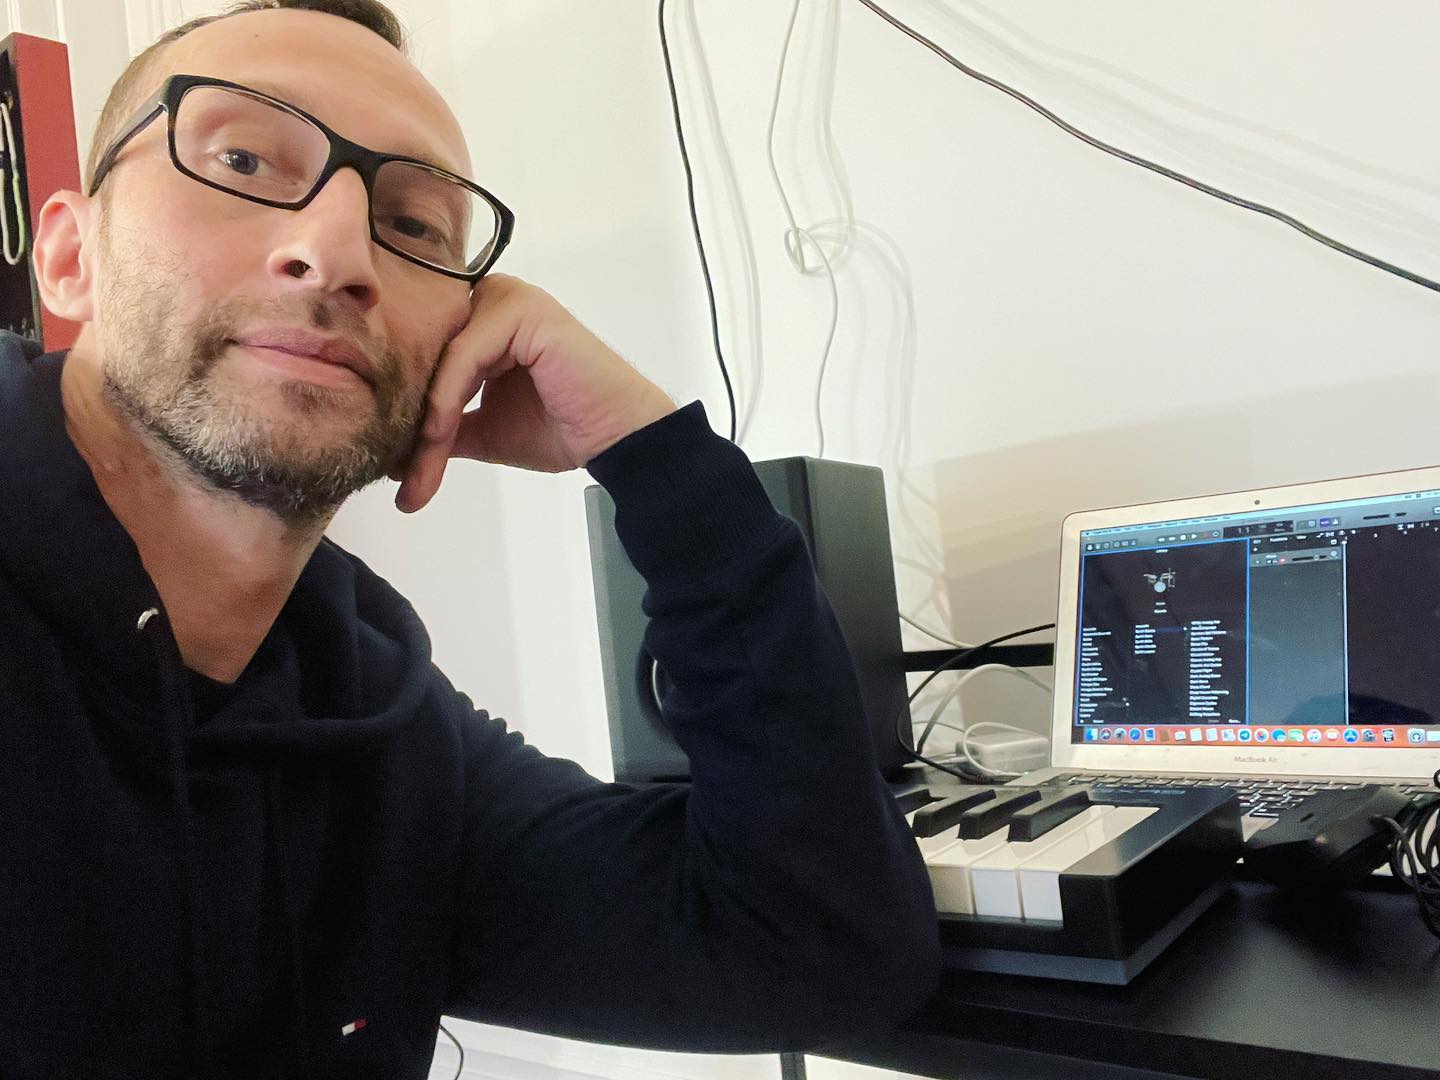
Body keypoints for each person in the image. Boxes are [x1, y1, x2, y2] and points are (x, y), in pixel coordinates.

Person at [5, 0, 941, 1075]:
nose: (336, 252)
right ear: (69, 257)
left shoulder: (378, 729)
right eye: (245, 160)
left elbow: (815, 946)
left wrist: (656, 459)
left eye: (412, 226)